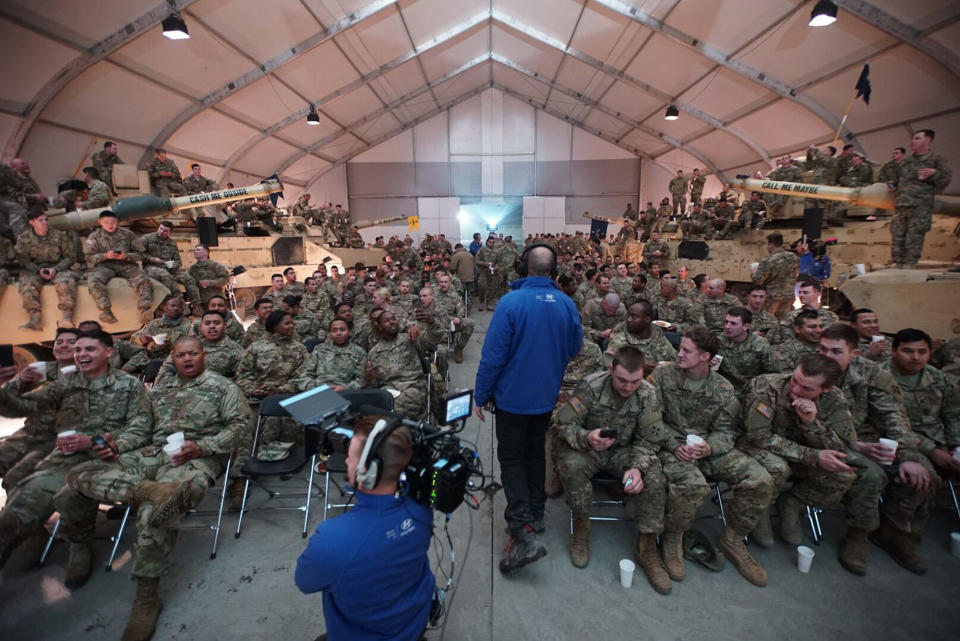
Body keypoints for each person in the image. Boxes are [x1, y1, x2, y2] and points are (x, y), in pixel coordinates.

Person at [56, 336, 248, 641]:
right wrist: (119, 444)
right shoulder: (162, 388)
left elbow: (239, 428)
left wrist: (202, 447)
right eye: (180, 355)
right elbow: (142, 425)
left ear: (203, 355)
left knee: (154, 513)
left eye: (193, 354)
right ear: (171, 357)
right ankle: (84, 540)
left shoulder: (224, 388)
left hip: (196, 459)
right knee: (75, 479)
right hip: (153, 452)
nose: (187, 359)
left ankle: (147, 598)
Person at [0, 330, 151, 576]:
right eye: (78, 350)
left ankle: (79, 545)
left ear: (108, 353)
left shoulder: (129, 386)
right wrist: (9, 386)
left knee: (71, 494)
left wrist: (96, 442)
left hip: (107, 459)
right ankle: (29, 539)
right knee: (15, 509)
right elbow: (22, 407)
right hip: (64, 460)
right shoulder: (64, 384)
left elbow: (142, 427)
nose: (81, 354)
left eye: (89, 349)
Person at [474, 244, 582, 575]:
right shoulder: (566, 304)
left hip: (512, 400)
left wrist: (480, 394)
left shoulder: (510, 303)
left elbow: (493, 356)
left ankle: (522, 528)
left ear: (523, 267)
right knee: (535, 454)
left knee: (512, 459)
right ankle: (536, 512)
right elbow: (575, 347)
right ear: (554, 269)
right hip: (544, 398)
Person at [739, 354, 884, 575]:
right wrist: (814, 456)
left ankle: (793, 501)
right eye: (795, 379)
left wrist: (811, 424)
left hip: (802, 451)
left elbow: (842, 445)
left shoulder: (835, 399)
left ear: (826, 389)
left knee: (843, 473)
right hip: (763, 448)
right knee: (778, 467)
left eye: (806, 388)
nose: (795, 389)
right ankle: (762, 509)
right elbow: (758, 436)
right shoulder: (766, 387)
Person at [650, 328, 772, 586]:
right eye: (680, 348)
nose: (678, 354)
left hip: (707, 448)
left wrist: (709, 447)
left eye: (686, 350)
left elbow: (727, 432)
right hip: (671, 445)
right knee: (693, 485)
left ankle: (733, 539)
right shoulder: (663, 376)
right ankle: (674, 537)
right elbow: (650, 419)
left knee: (760, 479)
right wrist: (673, 445)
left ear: (705, 357)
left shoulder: (723, 389)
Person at [296, 415, 434, 641]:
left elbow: (305, 582)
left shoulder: (331, 541)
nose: (347, 463)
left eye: (350, 457)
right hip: (413, 621)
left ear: (367, 473)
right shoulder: (422, 509)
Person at [554, 346, 671, 593]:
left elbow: (650, 439)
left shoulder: (648, 393)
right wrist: (586, 437)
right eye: (622, 380)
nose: (628, 387)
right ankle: (581, 526)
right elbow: (562, 423)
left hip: (624, 451)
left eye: (634, 381)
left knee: (655, 476)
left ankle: (647, 546)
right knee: (571, 466)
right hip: (590, 448)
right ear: (611, 370)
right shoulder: (591, 386)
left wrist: (637, 468)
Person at [818, 325, 933, 573]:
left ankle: (897, 534)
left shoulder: (872, 374)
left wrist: (909, 456)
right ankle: (858, 536)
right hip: (829, 441)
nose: (827, 356)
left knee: (923, 474)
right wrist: (853, 446)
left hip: (869, 438)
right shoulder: (810, 370)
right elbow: (807, 422)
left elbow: (894, 416)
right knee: (871, 475)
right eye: (823, 349)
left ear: (854, 354)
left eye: (836, 351)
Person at [0, 328, 79, 493]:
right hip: (29, 432)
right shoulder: (41, 369)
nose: (63, 345)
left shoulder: (88, 374)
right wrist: (19, 380)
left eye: (71, 342)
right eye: (59, 342)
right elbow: (8, 401)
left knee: (14, 479)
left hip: (56, 439)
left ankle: (16, 514)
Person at [889, 129, 952, 268]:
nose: (913, 141)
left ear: (928, 140)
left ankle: (909, 264)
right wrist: (891, 185)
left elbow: (945, 180)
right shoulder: (906, 162)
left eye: (917, 138)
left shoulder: (936, 159)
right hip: (902, 204)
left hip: (920, 205)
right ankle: (898, 263)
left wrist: (935, 173)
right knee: (897, 235)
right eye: (913, 138)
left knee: (915, 235)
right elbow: (895, 180)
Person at [15, 207, 81, 329]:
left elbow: (71, 256)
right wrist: (37, 270)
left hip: (57, 268)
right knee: (27, 285)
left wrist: (55, 269)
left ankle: (67, 319)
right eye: (41, 220)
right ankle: (34, 320)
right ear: (32, 222)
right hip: (35, 270)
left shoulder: (59, 235)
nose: (45, 223)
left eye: (46, 220)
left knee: (66, 282)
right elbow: (22, 259)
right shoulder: (24, 238)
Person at [83, 210, 153, 324]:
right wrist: (105, 256)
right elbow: (88, 257)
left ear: (117, 222)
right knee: (94, 281)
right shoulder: (94, 237)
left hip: (126, 265)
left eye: (113, 222)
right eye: (106, 222)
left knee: (143, 279)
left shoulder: (128, 234)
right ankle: (106, 311)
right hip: (104, 266)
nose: (110, 225)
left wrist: (126, 256)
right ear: (100, 222)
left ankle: (145, 310)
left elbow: (140, 254)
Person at [365, 310, 427, 419]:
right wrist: (370, 378)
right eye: (387, 320)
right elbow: (374, 386)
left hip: (413, 386)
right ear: (379, 327)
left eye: (394, 319)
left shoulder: (410, 339)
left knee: (392, 412)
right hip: (388, 390)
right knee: (371, 412)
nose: (392, 322)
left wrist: (430, 323)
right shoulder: (374, 352)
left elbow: (432, 341)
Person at [158, 309, 243, 383]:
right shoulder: (187, 345)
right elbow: (167, 369)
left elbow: (242, 379)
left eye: (217, 323)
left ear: (224, 326)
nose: (212, 326)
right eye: (207, 323)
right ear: (201, 326)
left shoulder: (235, 350)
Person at [717, 307, 782, 396]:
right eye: (726, 322)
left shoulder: (760, 345)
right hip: (725, 390)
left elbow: (773, 374)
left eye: (733, 323)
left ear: (746, 326)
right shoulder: (719, 341)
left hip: (753, 392)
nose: (727, 326)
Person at [291, 318, 366, 392]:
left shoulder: (359, 352)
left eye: (342, 330)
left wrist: (345, 388)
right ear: (329, 333)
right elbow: (306, 373)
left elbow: (361, 380)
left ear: (349, 331)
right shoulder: (319, 349)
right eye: (334, 330)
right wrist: (316, 387)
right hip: (318, 390)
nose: (338, 333)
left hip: (345, 392)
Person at [141, 220, 201, 308]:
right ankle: (181, 304)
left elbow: (178, 261)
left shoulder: (172, 243)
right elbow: (139, 254)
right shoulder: (147, 238)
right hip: (151, 266)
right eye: (160, 228)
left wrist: (175, 265)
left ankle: (196, 305)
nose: (161, 231)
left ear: (170, 233)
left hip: (168, 267)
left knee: (188, 278)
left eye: (165, 230)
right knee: (166, 275)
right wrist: (153, 259)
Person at [603, 300, 676, 370]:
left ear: (647, 319)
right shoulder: (619, 341)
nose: (628, 320)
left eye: (634, 316)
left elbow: (675, 359)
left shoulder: (657, 334)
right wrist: (638, 368)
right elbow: (609, 369)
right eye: (628, 316)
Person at [752, 232, 798, 319]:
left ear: (771, 244)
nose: (766, 247)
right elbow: (796, 274)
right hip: (789, 296)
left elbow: (758, 281)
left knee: (768, 322)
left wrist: (754, 272)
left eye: (767, 244)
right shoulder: (794, 257)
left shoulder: (767, 261)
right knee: (784, 322)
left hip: (772, 298)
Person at [132, 296, 193, 360]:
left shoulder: (188, 325)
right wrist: (142, 340)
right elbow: (134, 338)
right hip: (148, 358)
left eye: (180, 307)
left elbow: (191, 345)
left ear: (183, 310)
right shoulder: (153, 323)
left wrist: (168, 345)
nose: (176, 308)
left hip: (172, 359)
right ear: (165, 308)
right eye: (173, 305)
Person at [435, 272, 473, 363]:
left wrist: (459, 317)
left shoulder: (454, 295)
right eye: (441, 282)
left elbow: (461, 308)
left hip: (451, 323)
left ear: (450, 283)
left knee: (469, 323)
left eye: (445, 282)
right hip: (437, 324)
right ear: (438, 283)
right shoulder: (433, 294)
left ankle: (459, 348)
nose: (443, 284)